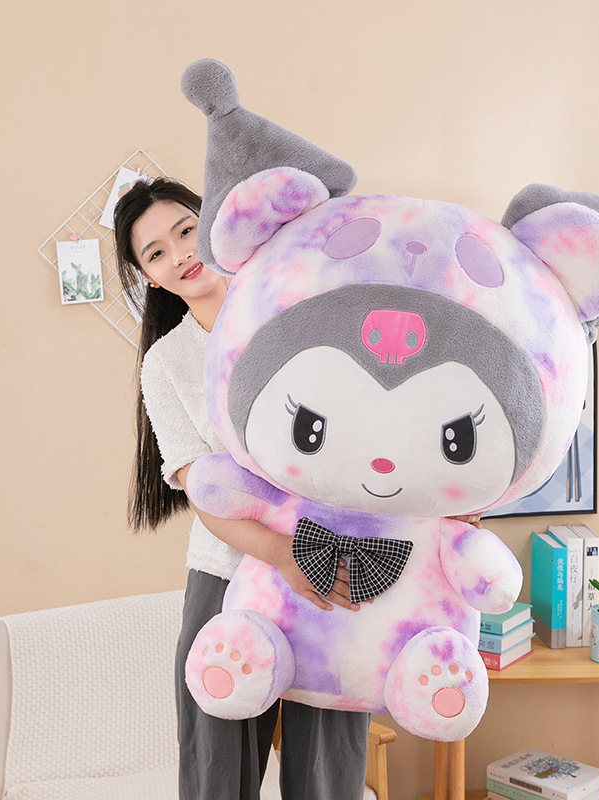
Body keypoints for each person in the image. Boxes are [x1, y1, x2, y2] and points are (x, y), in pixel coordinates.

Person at [114, 176, 370, 800]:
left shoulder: (294, 311)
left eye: (185, 230)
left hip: (330, 557)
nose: (180, 253)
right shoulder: (166, 363)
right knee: (217, 762)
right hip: (227, 572)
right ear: (149, 278)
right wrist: (283, 556)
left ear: (214, 225)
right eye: (155, 253)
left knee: (328, 765)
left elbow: (366, 433)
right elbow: (200, 489)